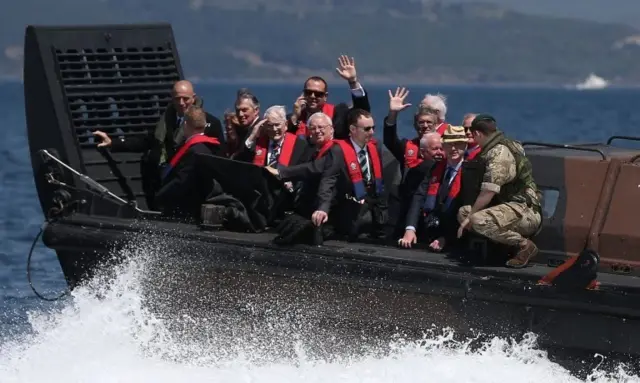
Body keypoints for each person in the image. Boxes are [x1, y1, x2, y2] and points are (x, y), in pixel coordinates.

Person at [92, 80, 224, 209]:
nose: (181, 103)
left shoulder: (210, 123)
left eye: (185, 99)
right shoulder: (165, 122)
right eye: (177, 99)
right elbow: (148, 141)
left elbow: (218, 158)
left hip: (188, 189)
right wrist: (113, 143)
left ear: (194, 98)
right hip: (164, 184)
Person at [457, 114, 542, 268]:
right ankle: (499, 246)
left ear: (477, 133)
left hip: (525, 210)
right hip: (509, 206)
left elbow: (488, 191)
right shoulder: (504, 144)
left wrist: (471, 217)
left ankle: (524, 245)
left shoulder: (499, 154)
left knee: (475, 219)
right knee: (463, 212)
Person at [155, 105, 222, 221]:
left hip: (184, 211)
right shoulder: (209, 148)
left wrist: (160, 196)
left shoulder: (193, 151)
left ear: (185, 125)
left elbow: (181, 181)